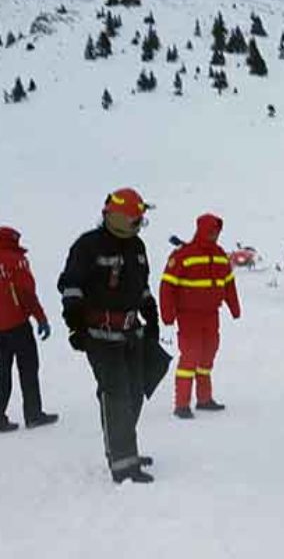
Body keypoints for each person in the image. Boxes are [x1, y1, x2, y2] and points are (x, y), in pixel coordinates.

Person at [57, 188, 159, 484]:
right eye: (135, 219)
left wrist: (150, 314)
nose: (139, 224)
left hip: (131, 333)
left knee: (136, 392)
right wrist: (74, 324)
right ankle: (123, 463)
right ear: (117, 218)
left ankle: (123, 446)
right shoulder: (88, 246)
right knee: (116, 395)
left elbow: (142, 286)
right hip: (101, 336)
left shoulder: (137, 247)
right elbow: (71, 286)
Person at [160, 214, 241, 419]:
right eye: (212, 230)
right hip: (189, 316)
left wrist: (234, 308)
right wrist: (167, 314)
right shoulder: (183, 255)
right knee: (190, 357)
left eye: (217, 231)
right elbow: (167, 286)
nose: (215, 234)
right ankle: (182, 404)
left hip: (211, 314)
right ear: (203, 229)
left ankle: (204, 399)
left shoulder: (221, 255)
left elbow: (229, 283)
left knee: (208, 355)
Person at [0, 227, 57, 432]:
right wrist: (41, 318)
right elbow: (26, 293)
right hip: (18, 326)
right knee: (28, 369)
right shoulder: (17, 261)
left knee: (1, 373)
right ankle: (33, 414)